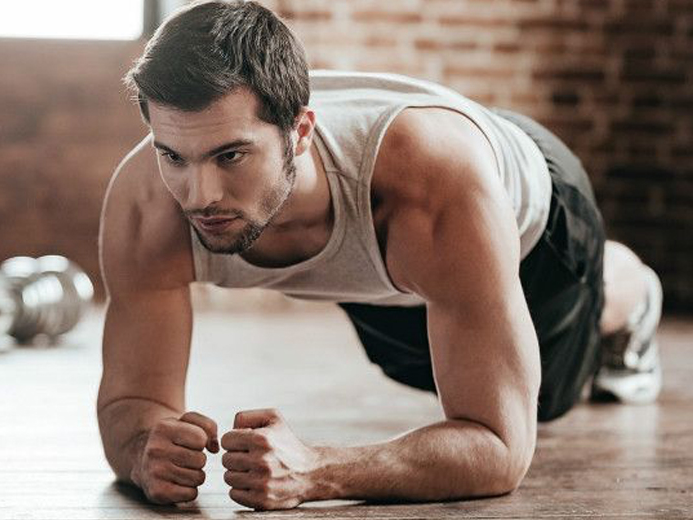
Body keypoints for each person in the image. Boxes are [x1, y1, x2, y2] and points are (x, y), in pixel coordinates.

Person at [96, 0, 664, 511]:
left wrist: (318, 471)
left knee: (548, 395)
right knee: (413, 366)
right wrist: (146, 449)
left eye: (231, 157)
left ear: (300, 133)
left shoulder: (429, 190)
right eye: (173, 156)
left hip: (532, 215)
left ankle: (631, 290)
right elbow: (133, 400)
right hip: (388, 267)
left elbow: (498, 448)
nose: (199, 197)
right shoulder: (147, 204)